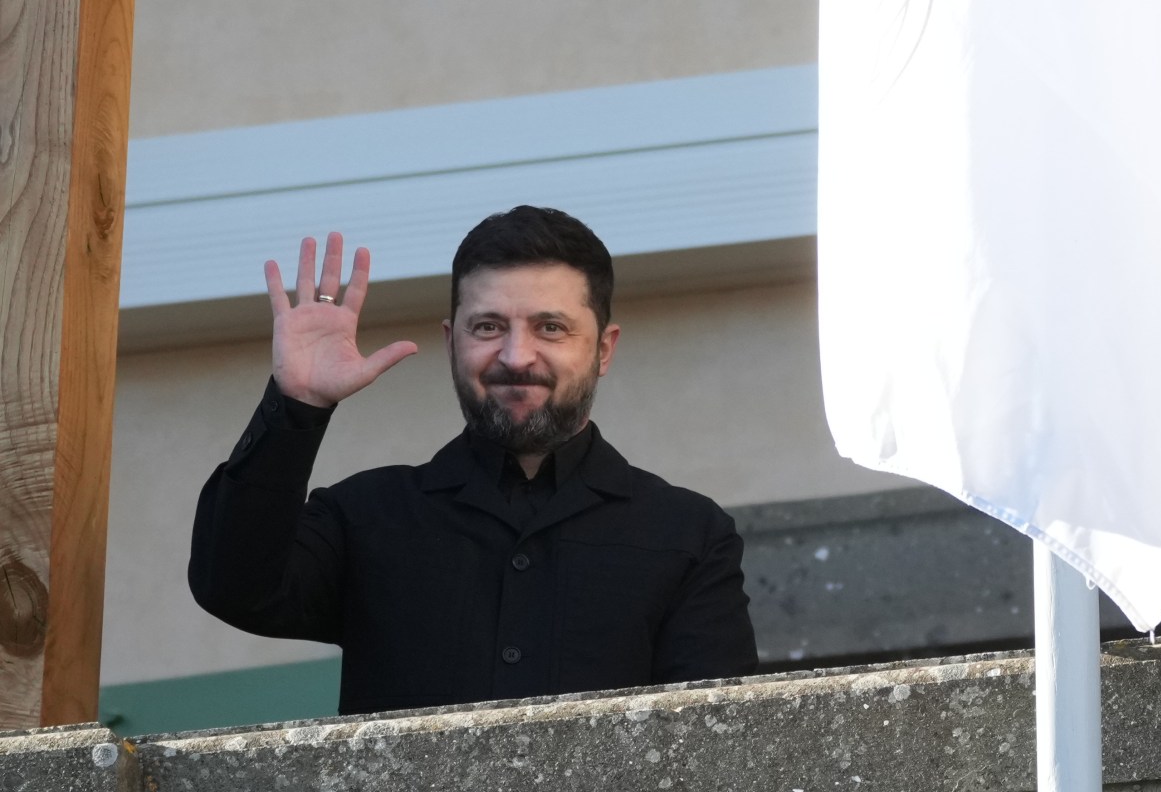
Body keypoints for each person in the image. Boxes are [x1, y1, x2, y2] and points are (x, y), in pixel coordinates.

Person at [190, 206, 758, 715]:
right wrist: (297, 404)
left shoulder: (690, 535)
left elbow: (716, 744)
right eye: (488, 327)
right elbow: (233, 588)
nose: (515, 356)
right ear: (451, 342)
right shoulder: (365, 516)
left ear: (603, 349)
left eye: (550, 328)